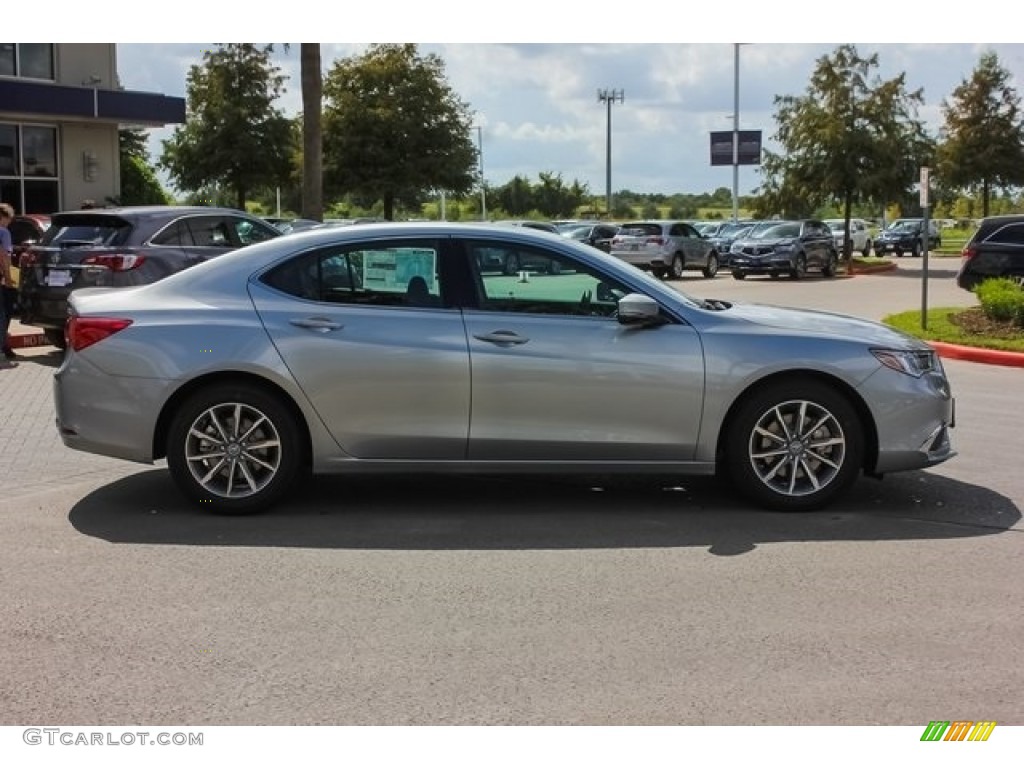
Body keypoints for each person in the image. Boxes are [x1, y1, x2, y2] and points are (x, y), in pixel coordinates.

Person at [0, 202, 18, 368]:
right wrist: (8, 277)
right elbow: (4, 256)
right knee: (2, 315)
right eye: (9, 218)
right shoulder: (3, 232)